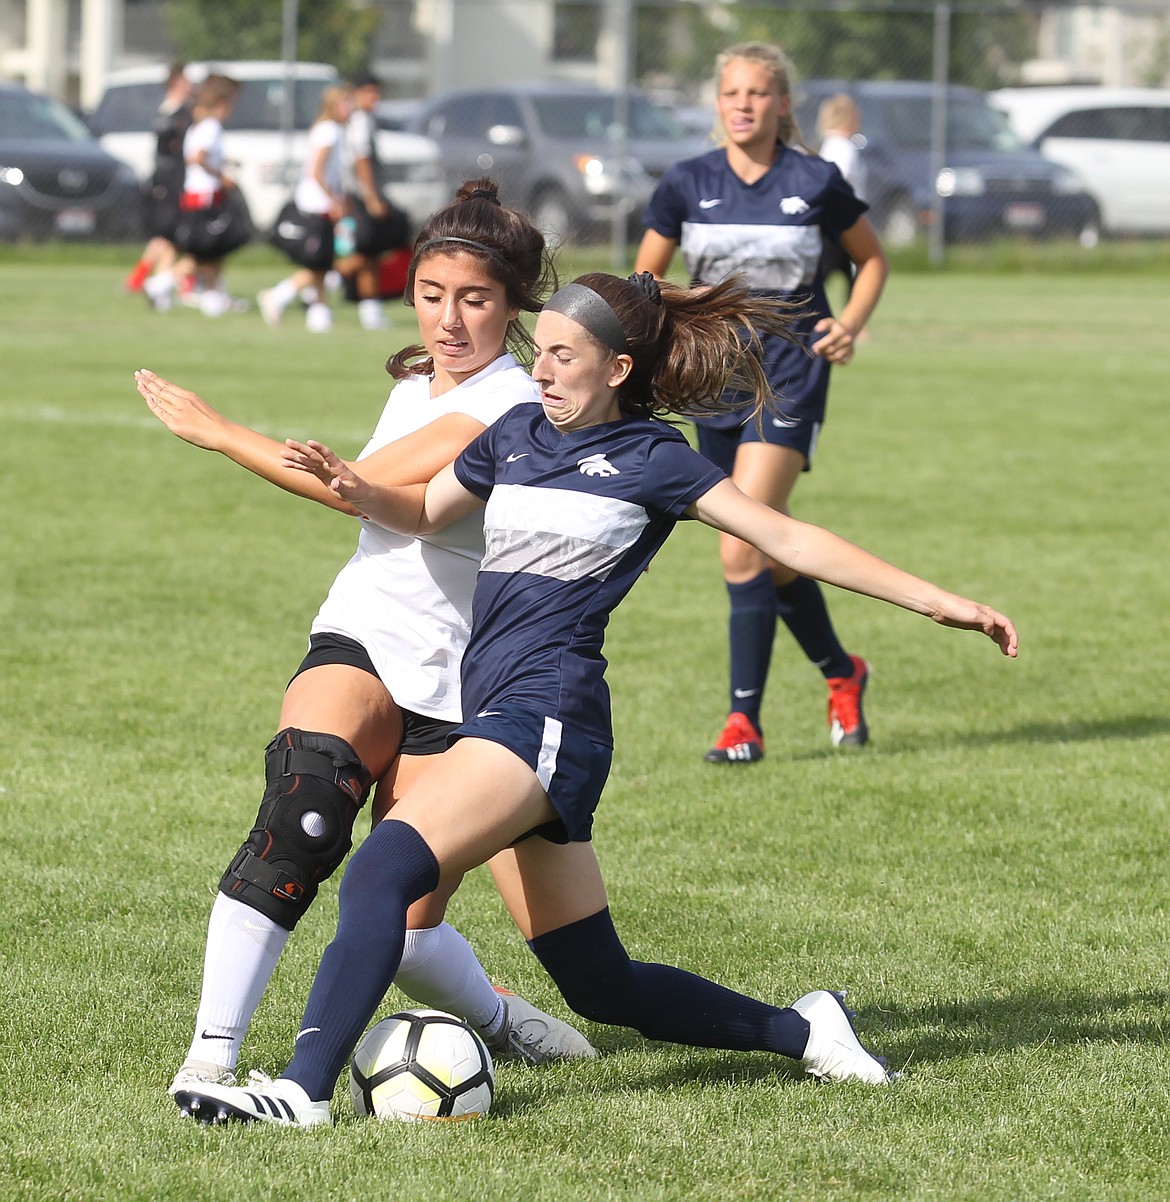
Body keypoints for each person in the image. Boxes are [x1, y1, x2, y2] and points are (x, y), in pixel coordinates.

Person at [173, 269, 1017, 1126]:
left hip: (547, 717)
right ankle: (805, 1032)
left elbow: (785, 534)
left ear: (616, 370)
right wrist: (357, 489)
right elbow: (425, 510)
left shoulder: (656, 460)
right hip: (502, 721)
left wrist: (938, 600)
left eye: (562, 358)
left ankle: (303, 1092)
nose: (538, 372)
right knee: (601, 985)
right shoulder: (514, 434)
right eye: (540, 355)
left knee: (382, 872)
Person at [137, 179, 598, 1106]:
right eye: (432, 296)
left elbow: (361, 486)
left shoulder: (508, 402)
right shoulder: (415, 381)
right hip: (364, 630)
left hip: (463, 676)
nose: (450, 320)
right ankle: (212, 1058)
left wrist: (220, 432)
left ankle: (500, 1020)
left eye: (474, 300)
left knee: (409, 931)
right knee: (302, 816)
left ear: (512, 306)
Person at [633, 42, 890, 765]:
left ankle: (742, 722)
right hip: (713, 377)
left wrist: (850, 322)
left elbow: (871, 258)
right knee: (770, 545)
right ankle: (843, 671)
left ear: (781, 104)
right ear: (717, 104)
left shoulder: (815, 179)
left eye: (757, 93)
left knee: (741, 545)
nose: (743, 104)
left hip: (791, 372)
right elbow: (644, 282)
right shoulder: (687, 182)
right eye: (731, 93)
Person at [258, 85, 353, 333]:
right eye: (345, 103)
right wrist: (335, 200)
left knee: (323, 262)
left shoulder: (327, 130)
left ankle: (319, 313)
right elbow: (317, 171)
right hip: (318, 204)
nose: (349, 109)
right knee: (318, 264)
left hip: (319, 202)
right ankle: (278, 295)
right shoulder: (329, 131)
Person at [161, 73, 245, 318]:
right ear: (220, 104)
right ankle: (163, 284)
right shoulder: (211, 127)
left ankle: (214, 296)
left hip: (197, 195)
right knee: (208, 251)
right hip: (206, 197)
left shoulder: (198, 126)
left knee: (213, 251)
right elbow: (198, 157)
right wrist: (221, 176)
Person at [336, 70, 411, 332]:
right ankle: (328, 276)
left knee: (369, 254)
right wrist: (372, 196)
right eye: (369, 92)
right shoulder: (360, 121)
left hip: (360, 197)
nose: (374, 98)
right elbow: (362, 160)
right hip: (362, 198)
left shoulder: (360, 119)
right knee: (373, 247)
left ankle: (371, 310)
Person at [130, 62, 194, 308]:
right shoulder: (169, 113)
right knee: (169, 236)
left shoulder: (183, 111)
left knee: (169, 238)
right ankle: (155, 284)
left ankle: (151, 285)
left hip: (177, 181)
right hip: (168, 182)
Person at [816, 93, 867, 300]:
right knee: (860, 266)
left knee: (837, 270)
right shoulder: (844, 147)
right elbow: (839, 178)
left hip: (833, 220)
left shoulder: (828, 144)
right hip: (844, 221)